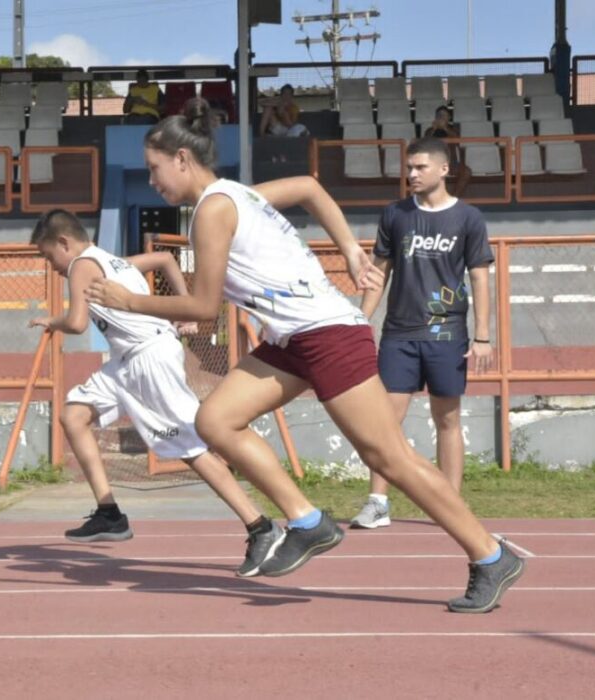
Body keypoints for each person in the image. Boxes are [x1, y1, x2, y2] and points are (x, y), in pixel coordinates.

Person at [85, 98, 525, 613]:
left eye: (155, 169)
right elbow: (311, 189)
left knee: (390, 459)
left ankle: (490, 555)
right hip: (293, 341)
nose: (153, 180)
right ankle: (307, 521)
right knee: (216, 420)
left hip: (329, 334)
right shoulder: (236, 196)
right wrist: (351, 249)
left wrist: (130, 300)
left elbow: (203, 305)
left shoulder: (214, 209)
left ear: (182, 158)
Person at [29, 209, 284, 577]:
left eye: (49, 256)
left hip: (149, 358)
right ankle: (109, 514)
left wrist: (51, 320)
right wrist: (185, 309)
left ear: (64, 243)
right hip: (126, 360)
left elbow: (77, 322)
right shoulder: (117, 262)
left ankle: (261, 527)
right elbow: (165, 259)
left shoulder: (82, 264)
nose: (51, 266)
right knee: (74, 414)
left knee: (190, 449)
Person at [351, 137, 494, 531]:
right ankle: (378, 502)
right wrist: (362, 317)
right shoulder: (395, 214)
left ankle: (450, 505)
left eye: (420, 167)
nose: (411, 174)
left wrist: (482, 336)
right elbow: (379, 273)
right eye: (409, 167)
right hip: (398, 335)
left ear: (443, 170)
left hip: (447, 335)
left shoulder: (468, 218)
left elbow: (480, 277)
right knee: (384, 422)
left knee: (447, 419)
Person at [423, 105, 471, 197]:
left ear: (449, 118)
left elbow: (457, 139)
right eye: (439, 115)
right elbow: (426, 141)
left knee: (466, 171)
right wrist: (434, 128)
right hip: (434, 163)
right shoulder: (430, 130)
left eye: (444, 116)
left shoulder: (453, 129)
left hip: (451, 164)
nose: (442, 118)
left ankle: (454, 198)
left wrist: (445, 127)